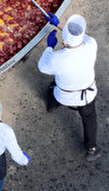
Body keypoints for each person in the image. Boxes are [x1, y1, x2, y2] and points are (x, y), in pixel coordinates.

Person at [37, 13, 100, 158]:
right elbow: (78, 37)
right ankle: (92, 147)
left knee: (53, 88)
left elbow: (42, 66)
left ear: (64, 42)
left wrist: (49, 48)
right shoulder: (91, 44)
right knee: (90, 117)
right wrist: (60, 25)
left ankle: (52, 106)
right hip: (87, 95)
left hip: (65, 96)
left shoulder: (58, 59)